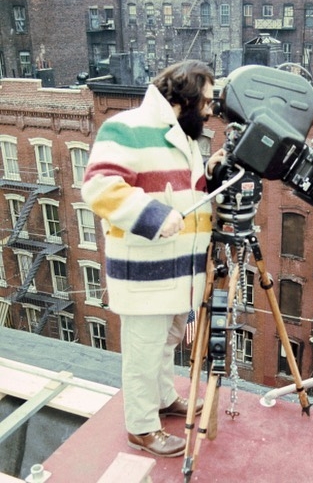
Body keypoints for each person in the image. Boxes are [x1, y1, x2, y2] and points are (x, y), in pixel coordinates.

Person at [82, 60, 225, 457]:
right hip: (146, 275)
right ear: (184, 99)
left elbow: (185, 195)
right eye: (208, 101)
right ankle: (141, 428)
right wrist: (153, 216)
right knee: (144, 352)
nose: (212, 110)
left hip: (180, 272)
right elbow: (98, 186)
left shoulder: (183, 137)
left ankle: (163, 400)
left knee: (167, 342)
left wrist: (210, 176)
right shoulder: (126, 126)